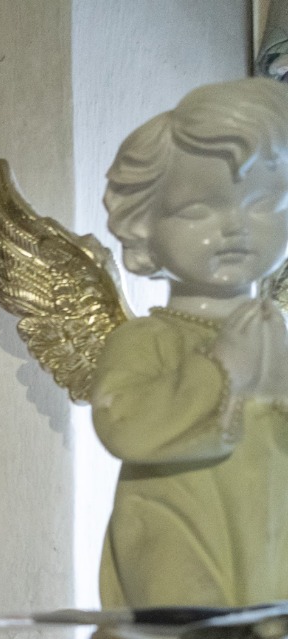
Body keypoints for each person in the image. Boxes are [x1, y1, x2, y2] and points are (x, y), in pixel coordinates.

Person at [93, 77, 288, 608]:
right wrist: (220, 369)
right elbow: (124, 426)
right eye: (198, 211)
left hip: (270, 543)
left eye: (263, 204)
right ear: (143, 227)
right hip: (177, 535)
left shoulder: (277, 334)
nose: (235, 227)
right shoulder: (145, 340)